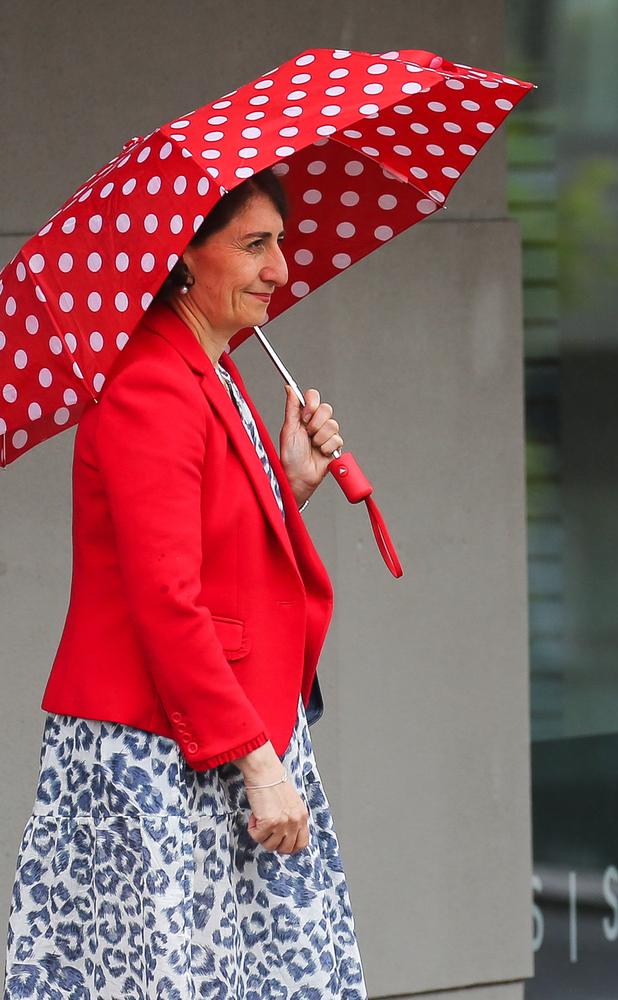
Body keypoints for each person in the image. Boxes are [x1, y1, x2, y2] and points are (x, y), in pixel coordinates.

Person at [3, 168, 368, 999]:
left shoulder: (210, 366)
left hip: (211, 740)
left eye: (279, 241)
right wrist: (258, 763)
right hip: (160, 755)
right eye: (253, 245)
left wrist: (290, 483)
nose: (279, 267)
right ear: (184, 258)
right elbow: (168, 596)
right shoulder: (149, 383)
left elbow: (213, 549)